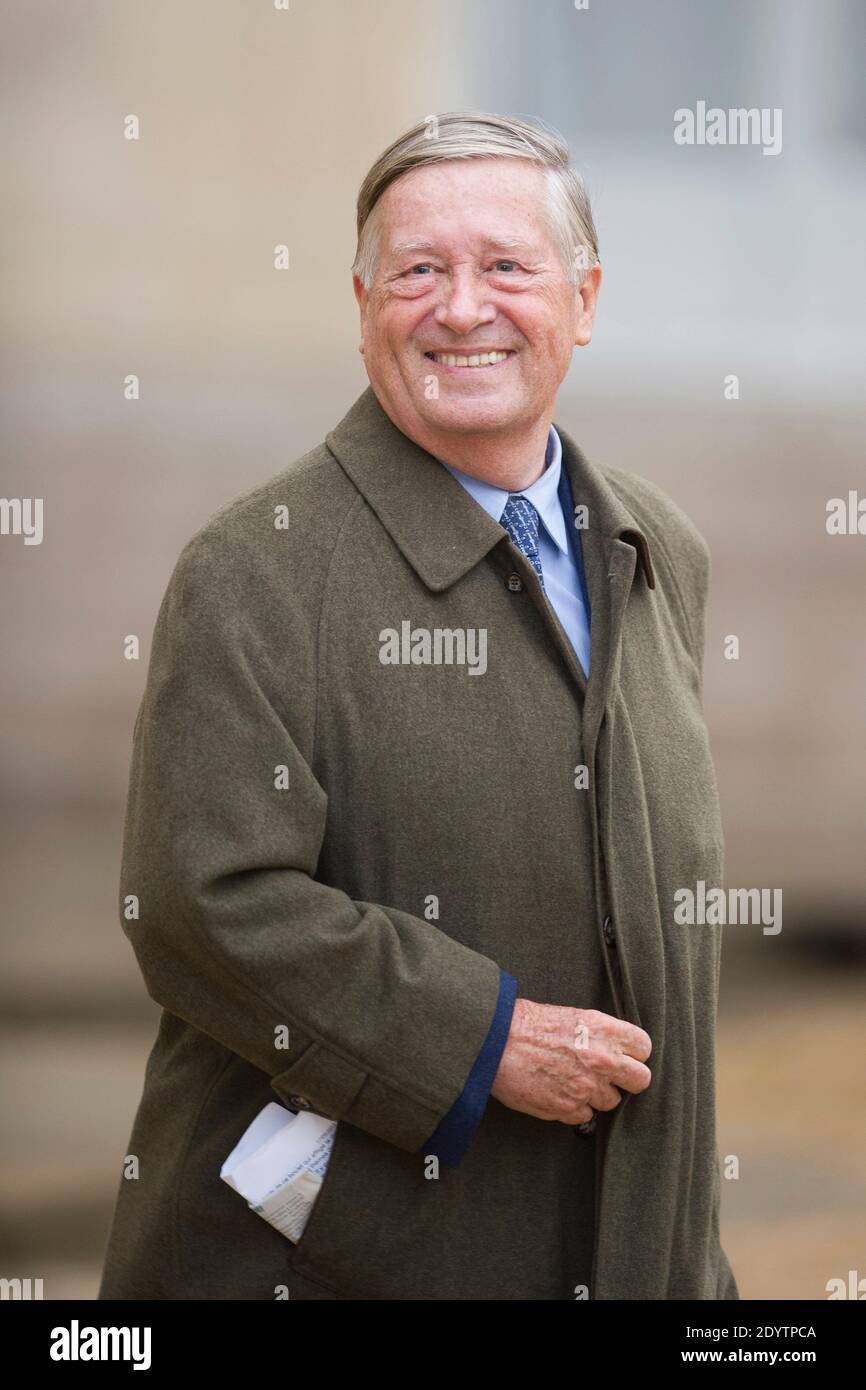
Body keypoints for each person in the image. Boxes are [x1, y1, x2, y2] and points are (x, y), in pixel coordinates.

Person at [98, 111, 738, 1301]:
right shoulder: (257, 571)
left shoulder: (659, 551)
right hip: (327, 1261)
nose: (460, 308)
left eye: (504, 266)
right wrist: (483, 1040)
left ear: (583, 300)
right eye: (418, 272)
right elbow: (200, 903)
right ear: (360, 309)